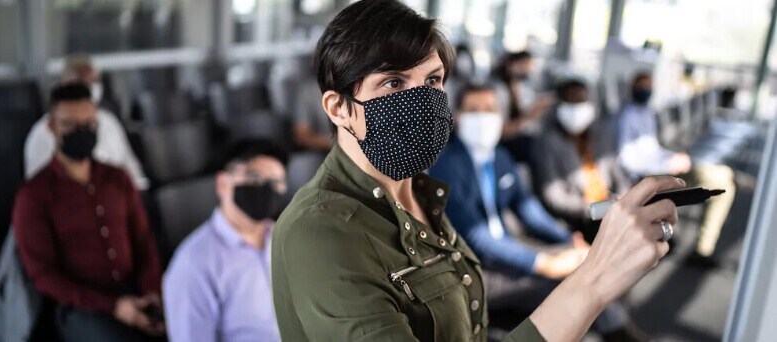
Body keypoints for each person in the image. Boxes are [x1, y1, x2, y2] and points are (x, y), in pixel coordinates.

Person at [272, 1, 683, 341]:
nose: (422, 100)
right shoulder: (321, 233)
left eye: (433, 79)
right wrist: (595, 277)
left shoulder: (420, 192)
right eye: (394, 83)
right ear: (339, 108)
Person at [429, 84, 645, 340]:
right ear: (458, 118)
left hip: (507, 250)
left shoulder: (500, 157)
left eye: (489, 109)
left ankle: (617, 330)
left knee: (582, 261)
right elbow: (476, 237)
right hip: (471, 270)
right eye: (474, 110)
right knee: (568, 281)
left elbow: (528, 208)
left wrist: (566, 239)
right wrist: (544, 263)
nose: (483, 117)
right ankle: (622, 335)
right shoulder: (446, 165)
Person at [11, 83, 163, 341]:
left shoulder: (118, 179)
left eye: (89, 124)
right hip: (79, 306)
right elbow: (44, 275)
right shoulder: (34, 196)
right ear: (52, 127)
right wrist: (112, 307)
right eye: (70, 124)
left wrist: (151, 291)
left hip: (132, 291)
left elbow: (143, 241)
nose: (82, 131)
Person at [162, 141, 288, 342]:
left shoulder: (287, 239)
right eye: (254, 177)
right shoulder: (194, 262)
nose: (265, 189)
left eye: (275, 183)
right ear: (222, 183)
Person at [618, 71, 736, 267]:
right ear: (633, 88)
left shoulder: (645, 113)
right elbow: (628, 160)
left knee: (724, 176)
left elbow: (652, 150)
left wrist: (671, 157)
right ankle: (703, 249)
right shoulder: (626, 117)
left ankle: (703, 248)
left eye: (649, 86)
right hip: (650, 177)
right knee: (723, 184)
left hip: (663, 168)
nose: (647, 90)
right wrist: (666, 164)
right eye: (643, 86)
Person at [529, 77, 631, 242]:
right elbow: (553, 195)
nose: (577, 107)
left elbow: (616, 171)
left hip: (610, 203)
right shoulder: (547, 142)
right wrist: (592, 208)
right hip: (581, 216)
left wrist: (624, 197)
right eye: (571, 101)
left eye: (581, 100)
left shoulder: (599, 134)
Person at [24, 55, 149, 189]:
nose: (91, 87)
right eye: (83, 81)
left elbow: (128, 163)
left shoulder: (109, 120)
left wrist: (138, 189)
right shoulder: (44, 132)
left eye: (94, 81)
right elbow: (39, 184)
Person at [495, 51, 554, 165]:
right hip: (505, 142)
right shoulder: (498, 91)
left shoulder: (524, 89)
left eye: (528, 65)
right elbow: (502, 132)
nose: (527, 69)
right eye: (522, 65)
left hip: (521, 137)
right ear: (510, 64)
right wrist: (529, 117)